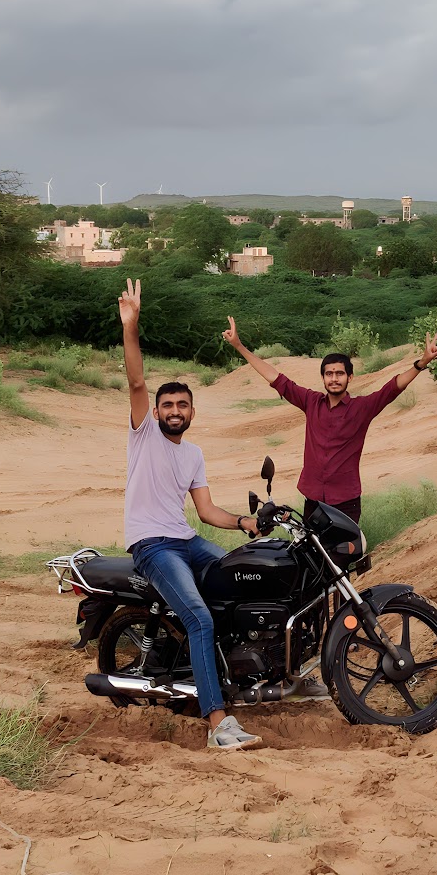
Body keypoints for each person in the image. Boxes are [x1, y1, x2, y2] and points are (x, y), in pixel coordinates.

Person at [119, 279, 263, 752]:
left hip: (184, 538)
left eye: (182, 405)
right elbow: (136, 381)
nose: (174, 410)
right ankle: (218, 723)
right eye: (167, 405)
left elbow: (206, 511)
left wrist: (246, 524)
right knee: (200, 618)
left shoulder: (194, 453)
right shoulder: (144, 435)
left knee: (243, 578)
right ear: (156, 412)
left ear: (192, 413)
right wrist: (131, 326)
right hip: (152, 545)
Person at [222, 318, 437, 525]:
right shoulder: (311, 402)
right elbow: (276, 378)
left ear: (350, 377)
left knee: (343, 554)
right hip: (313, 500)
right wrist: (239, 346)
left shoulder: (362, 408)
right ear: (323, 378)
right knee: (311, 552)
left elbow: (392, 388)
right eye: (329, 374)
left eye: (339, 374)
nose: (334, 379)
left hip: (346, 502)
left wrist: (421, 363)